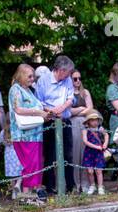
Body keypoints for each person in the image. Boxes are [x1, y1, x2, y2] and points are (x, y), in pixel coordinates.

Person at [35, 55, 75, 196]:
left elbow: (71, 98)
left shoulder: (67, 80)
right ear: (60, 70)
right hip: (49, 121)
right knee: (49, 155)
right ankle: (49, 187)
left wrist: (62, 108)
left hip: (64, 119)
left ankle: (71, 187)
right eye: (68, 72)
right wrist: (51, 111)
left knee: (68, 155)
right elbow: (38, 102)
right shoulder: (43, 81)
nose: (70, 75)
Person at [8, 63, 45, 202]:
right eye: (29, 76)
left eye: (33, 76)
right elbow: (18, 109)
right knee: (29, 165)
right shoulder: (15, 89)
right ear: (21, 75)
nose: (32, 79)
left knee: (35, 165)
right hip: (24, 134)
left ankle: (31, 196)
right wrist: (38, 112)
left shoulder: (29, 90)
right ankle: (26, 197)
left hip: (36, 134)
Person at [67, 69, 93, 193]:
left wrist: (78, 111)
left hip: (84, 123)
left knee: (85, 153)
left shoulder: (85, 92)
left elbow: (90, 109)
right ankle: (76, 184)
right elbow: (68, 112)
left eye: (79, 78)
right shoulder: (67, 93)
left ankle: (85, 183)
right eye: (75, 79)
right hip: (72, 124)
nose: (78, 81)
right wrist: (82, 109)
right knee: (75, 154)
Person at [80, 110, 107, 195]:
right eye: (92, 120)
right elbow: (85, 141)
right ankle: (92, 185)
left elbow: (106, 135)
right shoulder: (85, 130)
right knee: (90, 171)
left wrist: (105, 144)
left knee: (99, 171)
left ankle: (100, 186)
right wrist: (96, 147)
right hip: (89, 152)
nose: (95, 122)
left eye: (96, 120)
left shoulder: (100, 129)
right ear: (88, 121)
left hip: (98, 153)